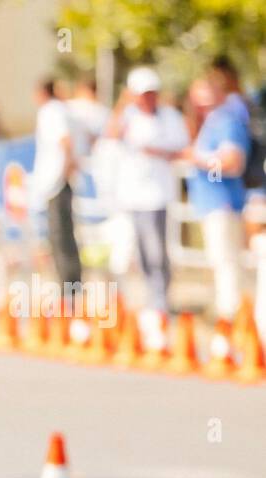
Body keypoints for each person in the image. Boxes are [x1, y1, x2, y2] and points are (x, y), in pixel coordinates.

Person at [103, 67, 189, 332]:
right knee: (140, 252)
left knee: (156, 250)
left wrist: (157, 151)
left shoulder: (170, 117)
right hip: (132, 196)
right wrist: (122, 104)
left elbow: (181, 147)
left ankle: (160, 301)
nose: (147, 99)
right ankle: (150, 300)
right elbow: (111, 135)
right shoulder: (128, 116)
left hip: (158, 194)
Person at [180, 60, 251, 359]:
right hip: (211, 205)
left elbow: (233, 163)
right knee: (221, 267)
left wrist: (197, 159)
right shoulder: (211, 120)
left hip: (223, 204)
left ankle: (231, 332)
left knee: (227, 268)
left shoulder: (227, 120)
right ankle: (229, 329)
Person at [32, 77, 82, 315]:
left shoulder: (51, 112)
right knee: (61, 239)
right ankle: (69, 292)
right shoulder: (62, 110)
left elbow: (65, 142)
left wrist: (65, 170)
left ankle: (69, 295)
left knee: (61, 239)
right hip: (56, 182)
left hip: (56, 183)